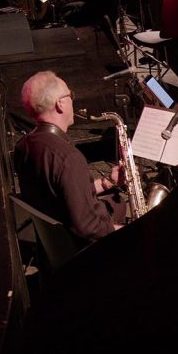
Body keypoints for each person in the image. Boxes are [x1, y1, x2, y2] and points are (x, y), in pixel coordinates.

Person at [14, 71, 121, 242]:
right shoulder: (68, 158)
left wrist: (108, 182)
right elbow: (89, 228)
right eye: (70, 95)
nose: (73, 100)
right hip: (82, 246)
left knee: (118, 203)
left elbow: (65, 193)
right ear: (61, 104)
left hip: (54, 240)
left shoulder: (23, 145)